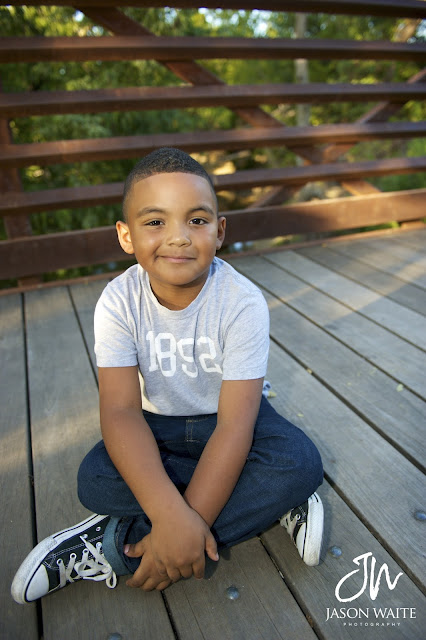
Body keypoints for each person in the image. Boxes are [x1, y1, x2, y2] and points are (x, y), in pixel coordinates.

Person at [11, 147, 324, 604]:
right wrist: (171, 514)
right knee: (94, 479)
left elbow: (236, 426)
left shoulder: (242, 302)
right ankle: (263, 503)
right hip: (155, 424)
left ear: (219, 232)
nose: (178, 237)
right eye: (155, 222)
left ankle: (116, 546)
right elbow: (120, 412)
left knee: (299, 462)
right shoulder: (118, 302)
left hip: (229, 419)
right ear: (126, 235)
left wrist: (172, 525)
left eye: (196, 220)